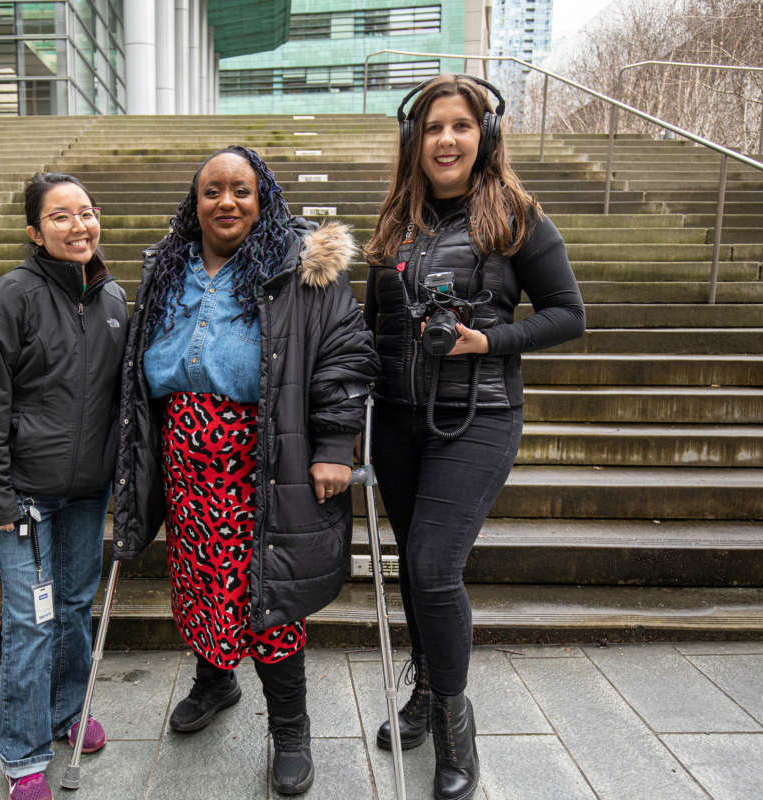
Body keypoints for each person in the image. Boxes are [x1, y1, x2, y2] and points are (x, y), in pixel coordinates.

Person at [111, 145, 378, 795]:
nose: (226, 202)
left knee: (269, 592)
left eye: (240, 190)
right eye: (212, 191)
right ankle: (215, 680)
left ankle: (290, 727)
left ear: (262, 198)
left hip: (264, 455)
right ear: (193, 201)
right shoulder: (166, 266)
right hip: (183, 455)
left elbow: (345, 353)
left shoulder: (301, 269)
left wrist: (335, 446)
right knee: (199, 580)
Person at [363, 74, 586, 800]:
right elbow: (370, 331)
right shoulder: (395, 224)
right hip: (397, 424)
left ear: (484, 136)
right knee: (414, 571)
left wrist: (486, 341)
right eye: (433, 128)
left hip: (480, 419)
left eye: (461, 126)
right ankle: (425, 695)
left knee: (431, 568)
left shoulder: (515, 217)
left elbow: (567, 314)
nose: (446, 140)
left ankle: (458, 730)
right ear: (414, 141)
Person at [0, 172, 128, 800]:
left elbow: (122, 402)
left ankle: (67, 714)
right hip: (24, 495)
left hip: (88, 494)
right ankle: (22, 754)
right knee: (32, 620)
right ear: (35, 231)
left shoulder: (113, 301)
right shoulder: (14, 295)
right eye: (60, 216)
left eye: (85, 211)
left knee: (75, 608)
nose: (78, 225)